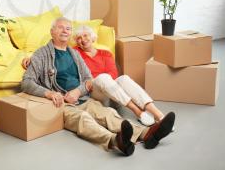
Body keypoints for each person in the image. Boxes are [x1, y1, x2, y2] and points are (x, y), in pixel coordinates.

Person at [21, 17, 175, 156]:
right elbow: (27, 82)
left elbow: (88, 78)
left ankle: (148, 134)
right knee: (83, 119)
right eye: (60, 27)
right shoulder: (41, 54)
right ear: (52, 32)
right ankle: (116, 141)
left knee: (107, 114)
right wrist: (49, 93)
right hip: (62, 104)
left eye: (68, 28)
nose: (65, 30)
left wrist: (77, 91)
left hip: (83, 98)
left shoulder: (74, 54)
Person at [71, 25, 168, 126]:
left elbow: (113, 74)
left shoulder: (105, 54)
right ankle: (138, 112)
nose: (83, 40)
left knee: (123, 79)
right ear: (77, 42)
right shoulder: (76, 53)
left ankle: (159, 115)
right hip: (96, 95)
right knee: (102, 78)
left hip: (114, 95)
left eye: (85, 35)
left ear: (92, 37)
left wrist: (105, 80)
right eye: (79, 38)